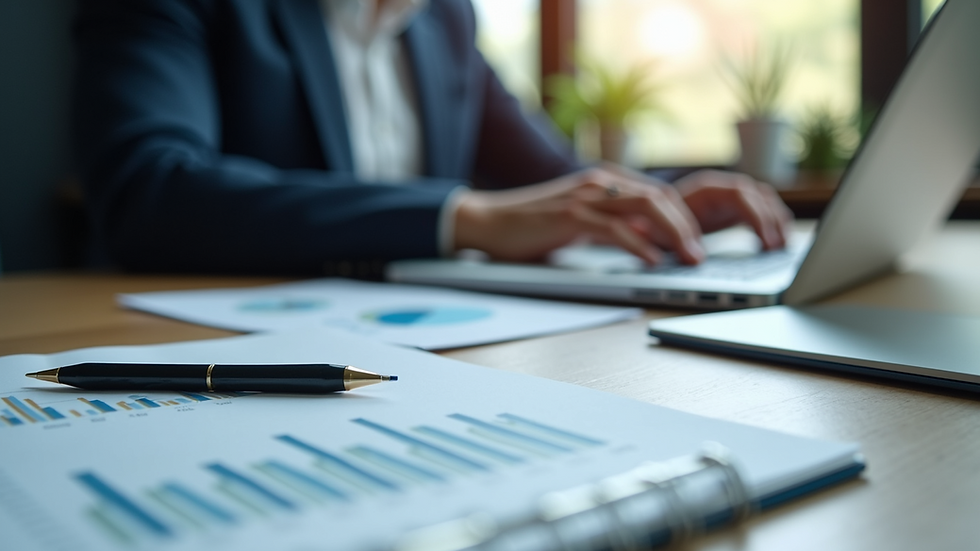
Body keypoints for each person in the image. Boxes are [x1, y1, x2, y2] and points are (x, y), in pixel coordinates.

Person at [73, 0, 792, 275]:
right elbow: (149, 190)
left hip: (419, 353)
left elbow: (549, 178)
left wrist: (661, 202)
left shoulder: (443, 21)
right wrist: (462, 216)